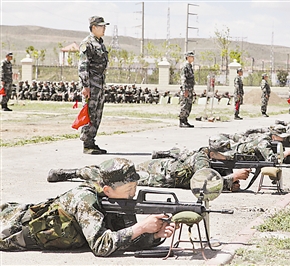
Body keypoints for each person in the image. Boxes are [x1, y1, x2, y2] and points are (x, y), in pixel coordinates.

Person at [0, 158, 175, 256]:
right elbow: (101, 246)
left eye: (135, 187)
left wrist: (153, 235)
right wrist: (141, 227)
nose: (133, 193)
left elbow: (123, 240)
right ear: (107, 189)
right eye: (129, 189)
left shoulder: (117, 201)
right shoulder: (85, 199)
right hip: (9, 228)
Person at [47, 149, 251, 192]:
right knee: (109, 174)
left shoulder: (203, 160)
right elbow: (201, 182)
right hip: (157, 173)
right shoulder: (201, 157)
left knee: (115, 178)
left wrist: (227, 180)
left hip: (159, 174)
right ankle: (71, 173)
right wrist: (229, 179)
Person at [78, 16, 110, 154]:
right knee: (90, 113)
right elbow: (83, 66)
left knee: (97, 113)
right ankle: (86, 143)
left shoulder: (100, 43)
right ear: (93, 27)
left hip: (99, 84)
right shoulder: (87, 43)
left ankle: (91, 141)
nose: (104, 28)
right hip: (91, 84)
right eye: (101, 26)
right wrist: (85, 86)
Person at [179, 51, 195, 128]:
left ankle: (185, 120)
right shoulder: (185, 66)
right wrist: (185, 89)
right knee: (184, 104)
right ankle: (181, 120)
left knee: (189, 105)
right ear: (188, 57)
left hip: (190, 89)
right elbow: (183, 79)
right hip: (186, 89)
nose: (193, 58)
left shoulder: (190, 66)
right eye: (192, 57)